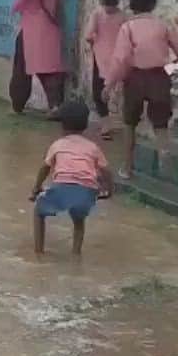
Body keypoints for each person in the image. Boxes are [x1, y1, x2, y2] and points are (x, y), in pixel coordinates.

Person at [108, 0, 178, 180]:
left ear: (131, 5)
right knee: (160, 124)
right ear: (153, 4)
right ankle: (165, 162)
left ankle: (127, 168)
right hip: (159, 77)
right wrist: (170, 70)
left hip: (135, 77)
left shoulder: (127, 28)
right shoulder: (163, 26)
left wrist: (109, 84)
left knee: (129, 123)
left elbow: (121, 59)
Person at [28, 100, 114, 256]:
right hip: (86, 193)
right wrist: (109, 189)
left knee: (38, 212)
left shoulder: (57, 145)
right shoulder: (92, 147)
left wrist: (36, 188)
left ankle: (38, 252)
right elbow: (106, 171)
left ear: (61, 125)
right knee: (79, 220)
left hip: (62, 189)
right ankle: (76, 254)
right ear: (86, 125)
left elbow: (44, 169)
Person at [11, 0, 67, 117]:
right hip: (51, 28)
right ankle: (55, 105)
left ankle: (17, 104)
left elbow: (21, 0)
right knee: (49, 70)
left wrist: (14, 9)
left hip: (32, 29)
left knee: (21, 68)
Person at [85, 0, 127, 139]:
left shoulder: (97, 14)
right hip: (118, 60)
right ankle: (120, 122)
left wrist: (95, 42)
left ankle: (106, 125)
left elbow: (89, 36)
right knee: (117, 90)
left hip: (100, 59)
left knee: (98, 92)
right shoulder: (124, 16)